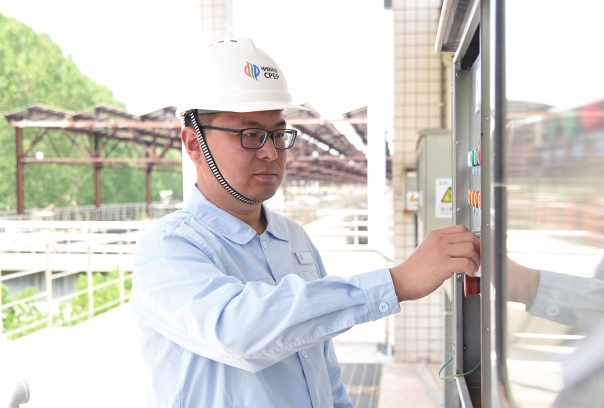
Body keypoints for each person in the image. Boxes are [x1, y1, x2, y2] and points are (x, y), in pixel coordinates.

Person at [130, 37, 480, 408]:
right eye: (250, 135)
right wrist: (396, 282)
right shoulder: (168, 250)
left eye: (278, 134)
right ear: (193, 144)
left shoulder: (293, 237)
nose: (270, 152)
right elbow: (238, 332)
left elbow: (321, 369)